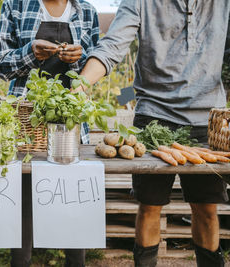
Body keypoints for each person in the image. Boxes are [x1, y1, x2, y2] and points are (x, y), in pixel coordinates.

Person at [79, 1, 230, 266]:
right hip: (153, 119)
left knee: (206, 209)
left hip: (207, 120)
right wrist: (81, 85)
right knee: (150, 205)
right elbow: (112, 45)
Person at [0, 0, 99, 266]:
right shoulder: (16, 6)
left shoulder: (87, 12)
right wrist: (31, 52)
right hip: (26, 123)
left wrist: (78, 60)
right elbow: (2, 66)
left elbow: (95, 68)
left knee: (73, 203)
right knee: (24, 204)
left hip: (71, 122)